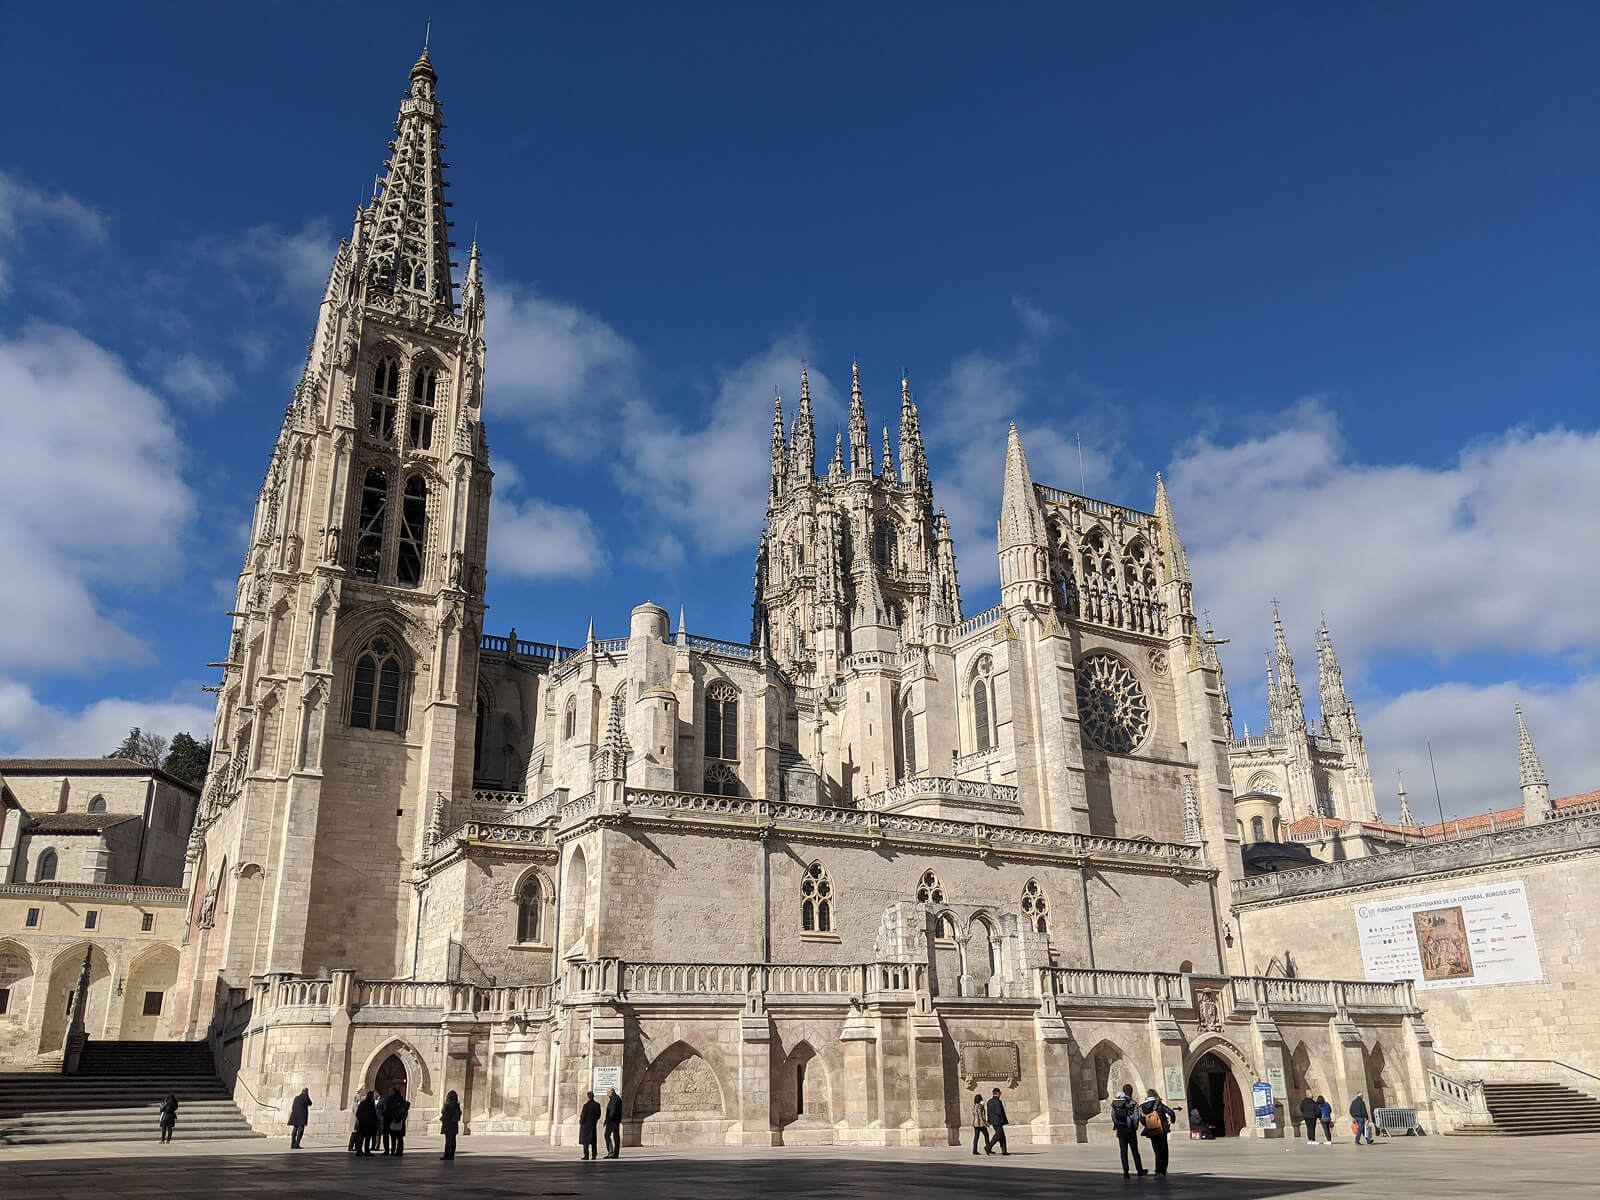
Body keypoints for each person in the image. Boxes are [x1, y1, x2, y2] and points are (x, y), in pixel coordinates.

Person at [1137, 1089, 1177, 1178]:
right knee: (1164, 1150)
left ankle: (1158, 1170)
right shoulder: (1158, 1104)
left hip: (1151, 1131)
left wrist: (1149, 1124)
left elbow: (1142, 1119)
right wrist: (1171, 1121)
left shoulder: (1142, 1107)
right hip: (1161, 1130)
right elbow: (1171, 1112)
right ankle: (1162, 1170)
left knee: (1157, 1150)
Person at [1110, 1083, 1147, 1177]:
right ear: (1131, 1091)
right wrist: (1134, 1127)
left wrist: (1117, 1125)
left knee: (1123, 1152)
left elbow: (1113, 1116)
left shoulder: (1116, 1102)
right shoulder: (1132, 1102)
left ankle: (1126, 1172)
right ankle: (1139, 1170)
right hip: (1130, 1130)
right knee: (1135, 1151)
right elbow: (1136, 1117)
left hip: (1120, 1130)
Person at [386, 1087, 411, 1156]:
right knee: (399, 1138)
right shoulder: (402, 1101)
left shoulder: (393, 1100)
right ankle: (399, 1151)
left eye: (391, 1091)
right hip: (400, 1122)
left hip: (395, 1121)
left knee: (394, 1138)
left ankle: (394, 1151)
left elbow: (391, 1111)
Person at [985, 1087, 1009, 1156]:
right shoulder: (998, 1101)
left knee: (1002, 1136)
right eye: (999, 1093)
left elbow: (988, 1112)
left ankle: (1004, 1151)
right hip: (998, 1121)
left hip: (993, 1121)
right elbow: (999, 1112)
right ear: (997, 1094)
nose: (1000, 1094)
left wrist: (989, 1120)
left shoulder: (989, 1101)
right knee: (998, 1135)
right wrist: (1002, 1119)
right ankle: (988, 1147)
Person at [578, 1090, 602, 1160]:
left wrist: (581, 1122)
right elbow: (598, 1115)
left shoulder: (586, 1105)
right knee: (593, 1141)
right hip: (593, 1125)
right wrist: (594, 1121)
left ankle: (586, 1155)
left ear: (588, 1097)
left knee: (586, 1142)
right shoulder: (597, 1105)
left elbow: (583, 1116)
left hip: (586, 1126)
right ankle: (594, 1155)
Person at [355, 1090, 379, 1156]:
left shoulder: (362, 1103)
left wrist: (361, 1120)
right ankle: (367, 1151)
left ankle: (359, 1151)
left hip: (362, 1124)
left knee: (361, 1138)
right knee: (367, 1139)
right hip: (369, 1125)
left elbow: (357, 1113)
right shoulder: (371, 1104)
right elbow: (373, 1115)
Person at [440, 1089, 462, 1161]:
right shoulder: (456, 1105)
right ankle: (450, 1155)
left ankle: (447, 1155)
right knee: (452, 1140)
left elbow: (444, 1113)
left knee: (448, 1141)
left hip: (448, 1124)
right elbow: (458, 1114)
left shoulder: (448, 1105)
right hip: (453, 1125)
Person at [603, 1087, 623, 1159]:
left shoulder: (615, 1099)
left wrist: (609, 1119)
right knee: (615, 1136)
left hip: (612, 1121)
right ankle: (615, 1153)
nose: (607, 1094)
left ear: (612, 1092)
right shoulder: (615, 1098)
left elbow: (612, 1110)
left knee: (607, 1135)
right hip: (615, 1121)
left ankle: (612, 1152)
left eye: (608, 1092)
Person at [376, 1089, 391, 1155]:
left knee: (379, 1133)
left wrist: (383, 1117)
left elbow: (385, 1109)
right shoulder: (373, 1100)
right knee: (375, 1133)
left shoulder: (383, 1100)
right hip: (375, 1119)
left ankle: (377, 1146)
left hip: (381, 1119)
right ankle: (374, 1146)